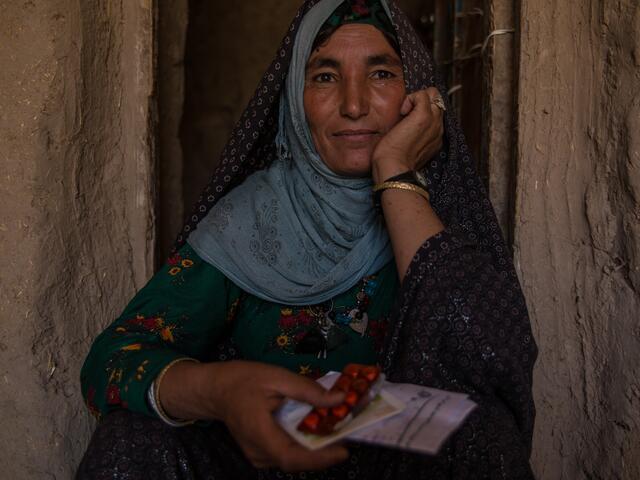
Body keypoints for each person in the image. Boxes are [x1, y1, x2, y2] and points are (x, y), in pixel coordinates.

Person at [77, 0, 537, 478]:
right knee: (131, 442)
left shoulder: (442, 211)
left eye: (380, 74)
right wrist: (221, 389)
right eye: (324, 76)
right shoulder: (251, 220)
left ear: (417, 93)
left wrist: (396, 172)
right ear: (294, 99)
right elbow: (109, 362)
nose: (354, 104)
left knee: (485, 438)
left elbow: (490, 377)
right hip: (265, 464)